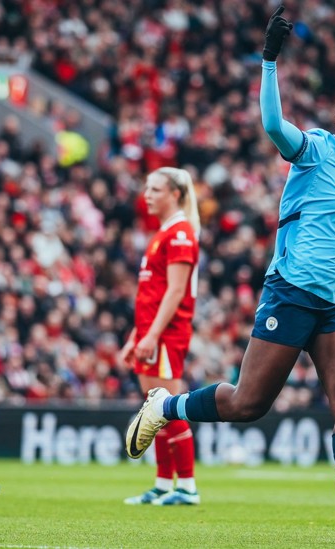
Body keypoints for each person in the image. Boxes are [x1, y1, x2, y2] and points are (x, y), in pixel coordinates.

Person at [125, 6, 335, 544]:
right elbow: (269, 125)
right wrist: (268, 61)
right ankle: (164, 407)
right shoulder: (313, 151)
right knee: (247, 405)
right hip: (290, 292)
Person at [121, 167, 202, 506]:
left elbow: (176, 291)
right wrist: (135, 336)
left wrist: (151, 335)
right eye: (147, 189)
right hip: (154, 331)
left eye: (155, 189)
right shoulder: (163, 233)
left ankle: (186, 487)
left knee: (167, 407)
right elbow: (151, 295)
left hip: (167, 333)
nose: (147, 195)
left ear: (176, 195)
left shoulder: (180, 233)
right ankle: (162, 483)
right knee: (154, 410)